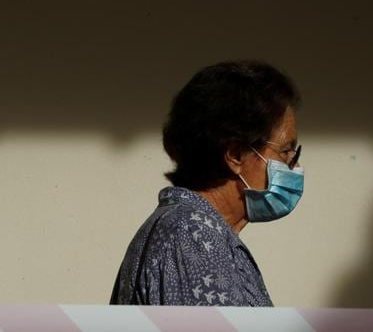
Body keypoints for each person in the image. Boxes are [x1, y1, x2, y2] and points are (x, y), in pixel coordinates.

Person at [110, 60, 304, 306]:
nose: (293, 166)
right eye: (286, 151)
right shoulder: (193, 234)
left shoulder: (197, 230)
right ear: (235, 155)